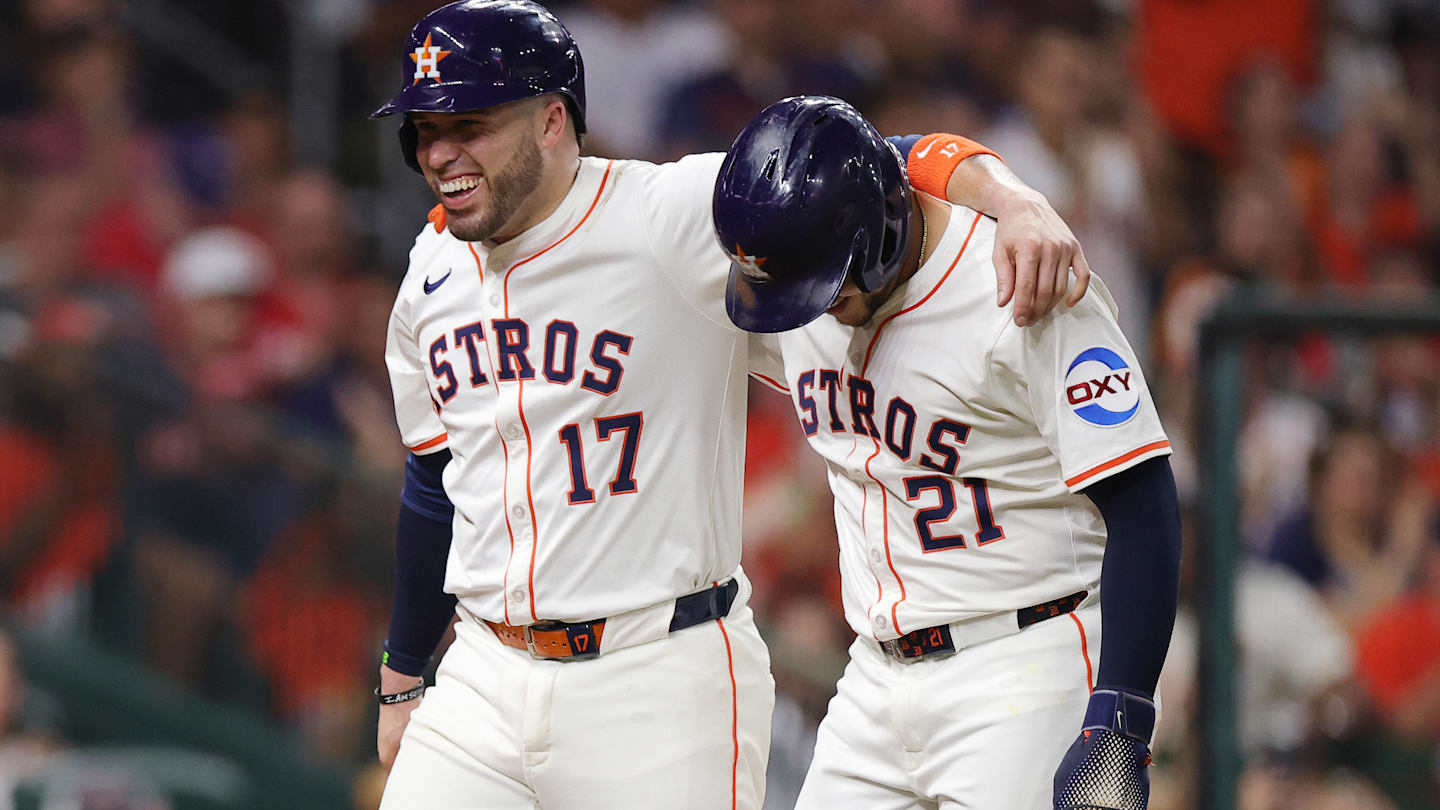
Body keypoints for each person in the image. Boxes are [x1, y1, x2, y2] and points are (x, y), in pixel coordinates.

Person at [369, 3, 1090, 808]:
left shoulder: (662, 211)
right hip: (483, 669)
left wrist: (1012, 197)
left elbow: (862, 159)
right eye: (426, 130)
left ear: (550, 120)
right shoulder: (429, 268)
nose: (441, 152)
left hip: (652, 675)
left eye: (469, 123)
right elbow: (433, 480)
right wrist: (403, 674)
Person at [717, 96, 1181, 809]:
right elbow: (895, 155)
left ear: (873, 237)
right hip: (873, 676)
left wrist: (1122, 715)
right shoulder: (798, 256)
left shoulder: (1021, 282)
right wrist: (1006, 187)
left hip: (1024, 662)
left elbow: (1143, 498)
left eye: (821, 288)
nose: (805, 311)